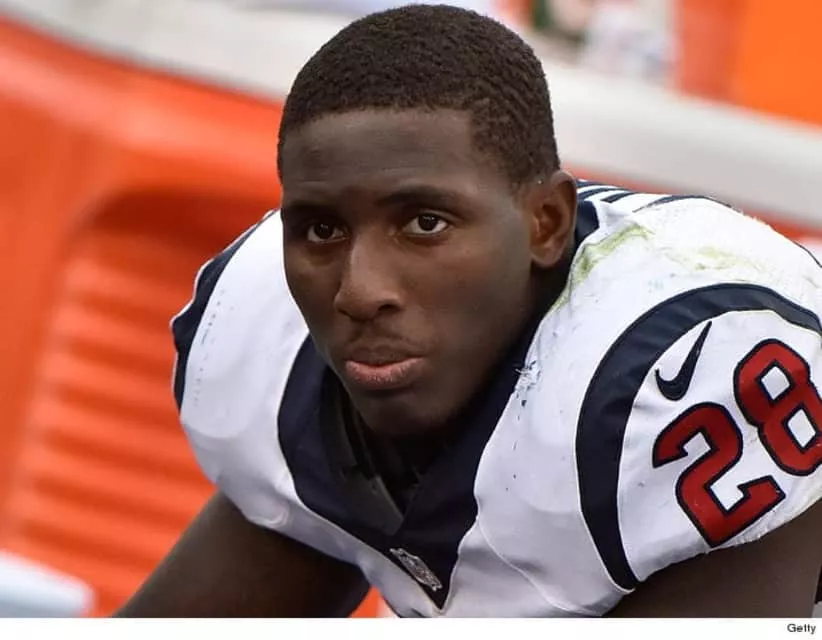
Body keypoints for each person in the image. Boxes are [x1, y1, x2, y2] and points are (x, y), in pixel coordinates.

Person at [117, 4, 822, 618]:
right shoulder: (266, 344)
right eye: (323, 229)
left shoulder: (686, 364)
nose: (359, 291)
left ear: (546, 224)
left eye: (425, 224)